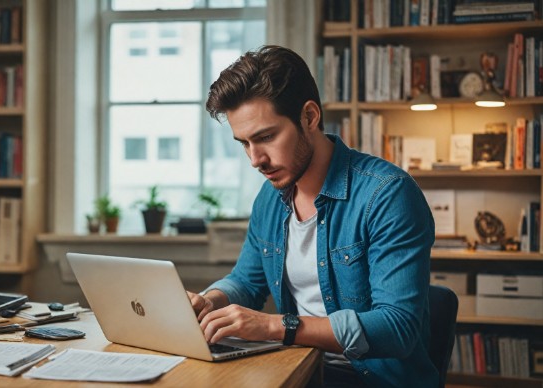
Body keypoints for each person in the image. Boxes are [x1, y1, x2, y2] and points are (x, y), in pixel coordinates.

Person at [187, 45, 436, 387]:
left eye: (266, 137)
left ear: (309, 117)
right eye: (244, 143)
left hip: (370, 378)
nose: (255, 159)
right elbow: (247, 281)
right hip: (297, 367)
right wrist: (209, 301)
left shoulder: (387, 194)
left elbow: (398, 327)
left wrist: (275, 326)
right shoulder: (270, 197)